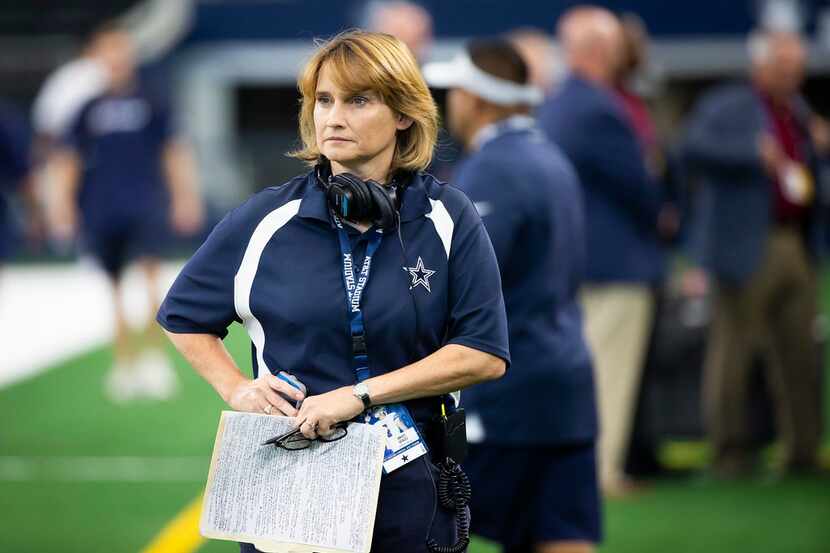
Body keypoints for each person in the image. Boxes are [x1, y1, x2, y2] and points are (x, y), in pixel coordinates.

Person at [156, 30, 509, 553]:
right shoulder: (265, 219)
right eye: (324, 100)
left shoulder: (448, 215)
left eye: (358, 100)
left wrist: (360, 395)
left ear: (404, 114)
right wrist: (236, 388)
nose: (333, 117)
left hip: (411, 486)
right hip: (288, 484)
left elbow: (482, 355)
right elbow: (181, 317)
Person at [424, 39, 601, 553]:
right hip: (566, 381)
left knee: (415, 525)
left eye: (454, 90)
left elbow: (464, 283)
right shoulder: (551, 157)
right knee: (560, 533)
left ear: (475, 98)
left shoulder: (493, 167)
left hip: (510, 396)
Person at [683, 29, 829, 477]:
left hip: (795, 241)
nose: (792, 76)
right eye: (784, 67)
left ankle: (801, 450)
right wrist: (751, 154)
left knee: (800, 351)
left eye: (797, 68)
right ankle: (729, 454)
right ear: (760, 66)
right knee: (734, 354)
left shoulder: (799, 110)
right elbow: (691, 148)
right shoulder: (729, 104)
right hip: (746, 245)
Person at [536, 6, 662, 495]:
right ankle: (600, 473)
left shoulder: (557, 103)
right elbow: (641, 187)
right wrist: (664, 211)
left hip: (576, 261)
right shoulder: (600, 107)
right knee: (609, 373)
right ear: (601, 49)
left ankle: (582, 468)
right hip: (616, 263)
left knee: (583, 371)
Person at [47, 24, 203, 402]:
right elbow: (68, 160)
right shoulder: (87, 108)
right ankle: (123, 363)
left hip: (145, 203)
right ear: (97, 57)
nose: (116, 58)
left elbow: (173, 151)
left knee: (152, 283)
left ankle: (155, 360)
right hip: (102, 208)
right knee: (113, 289)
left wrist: (186, 197)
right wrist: (62, 207)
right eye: (109, 51)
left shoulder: (152, 102)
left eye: (122, 50)